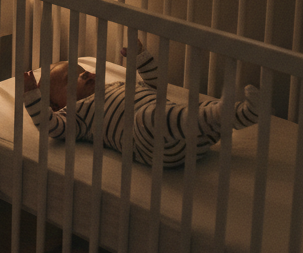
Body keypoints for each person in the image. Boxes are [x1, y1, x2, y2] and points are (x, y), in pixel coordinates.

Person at [23, 43, 259, 169]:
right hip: (157, 149)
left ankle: (243, 113)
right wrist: (32, 95)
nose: (85, 75)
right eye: (70, 79)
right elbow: (51, 127)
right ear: (55, 104)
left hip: (190, 139)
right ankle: (217, 115)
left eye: (83, 71)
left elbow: (156, 86)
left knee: (198, 108)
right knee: (148, 118)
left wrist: (141, 58)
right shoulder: (76, 115)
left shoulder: (118, 85)